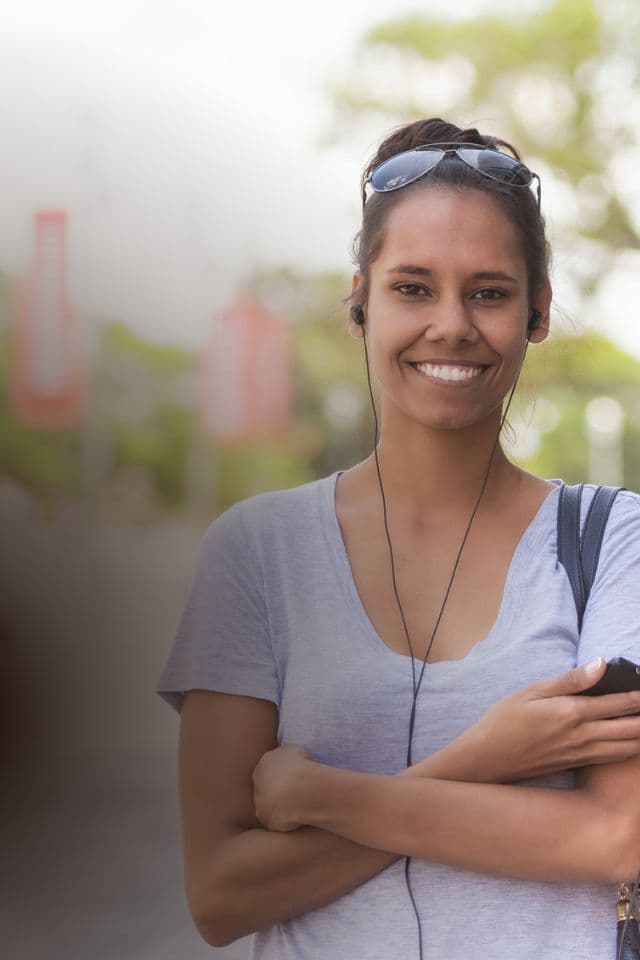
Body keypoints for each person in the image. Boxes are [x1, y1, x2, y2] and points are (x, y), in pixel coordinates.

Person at [156, 117, 640, 960]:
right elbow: (220, 895)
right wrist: (486, 757)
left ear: (537, 312)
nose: (450, 324)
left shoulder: (614, 541)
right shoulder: (258, 553)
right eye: (413, 288)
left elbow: (614, 840)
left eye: (488, 292)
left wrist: (316, 793)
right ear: (361, 303)